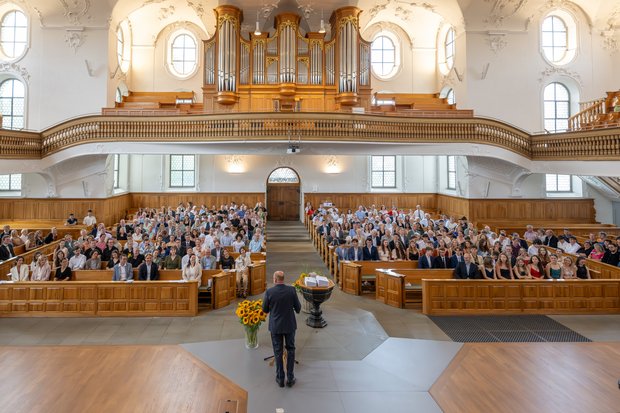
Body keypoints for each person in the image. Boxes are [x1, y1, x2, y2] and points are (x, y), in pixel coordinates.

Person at [262, 271, 301, 388]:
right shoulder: (291, 290)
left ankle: (280, 378)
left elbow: (265, 310)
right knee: (291, 350)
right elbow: (298, 308)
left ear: (275, 279)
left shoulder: (269, 292)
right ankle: (290, 378)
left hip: (276, 326)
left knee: (278, 351)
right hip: (289, 325)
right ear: (283, 279)